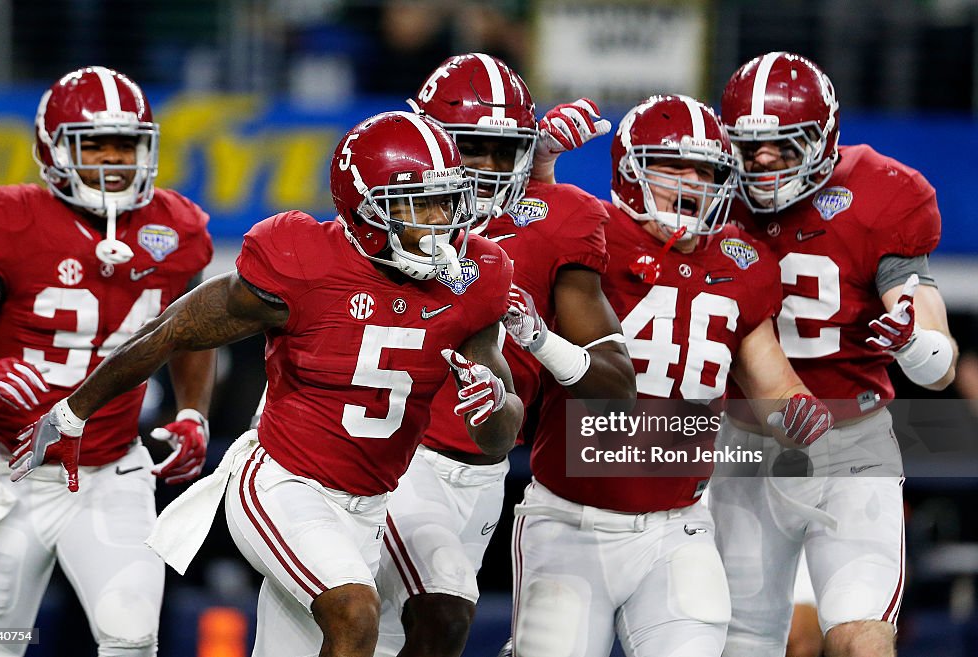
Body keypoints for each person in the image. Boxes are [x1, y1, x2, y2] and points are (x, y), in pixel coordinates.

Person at [9, 110, 525, 657]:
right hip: (284, 482)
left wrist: (493, 406)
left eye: (445, 200)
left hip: (372, 502)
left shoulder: (478, 276)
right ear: (366, 210)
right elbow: (170, 331)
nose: (440, 221)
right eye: (417, 203)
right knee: (355, 615)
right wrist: (70, 415)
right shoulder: (305, 262)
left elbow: (497, 438)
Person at [509, 93, 835, 657]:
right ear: (631, 169)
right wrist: (539, 168)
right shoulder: (593, 231)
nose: (691, 181)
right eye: (672, 165)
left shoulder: (743, 262)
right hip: (569, 522)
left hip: (678, 526)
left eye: (706, 169)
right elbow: (517, 224)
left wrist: (799, 415)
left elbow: (774, 385)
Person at [373, 53, 636, 657]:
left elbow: (615, 382)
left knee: (399, 637)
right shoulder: (392, 201)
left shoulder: (562, 217)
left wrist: (538, 336)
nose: (489, 169)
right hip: (392, 451)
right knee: (436, 612)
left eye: (505, 150)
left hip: (485, 465)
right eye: (470, 148)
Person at [0, 66, 214, 656]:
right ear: (53, 149)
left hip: (110, 473)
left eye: (127, 144)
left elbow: (192, 336)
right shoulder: (7, 221)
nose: (113, 159)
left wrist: (194, 412)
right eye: (93, 143)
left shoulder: (176, 229)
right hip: (10, 471)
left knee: (131, 637)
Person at [708, 51, 958, 657]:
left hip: (850, 444)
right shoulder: (706, 194)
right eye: (750, 147)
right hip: (741, 444)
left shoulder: (883, 194)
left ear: (824, 140)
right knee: (751, 644)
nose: (764, 164)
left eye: (785, 146)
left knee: (861, 640)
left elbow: (940, 361)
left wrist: (912, 341)